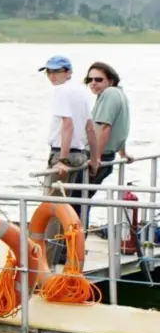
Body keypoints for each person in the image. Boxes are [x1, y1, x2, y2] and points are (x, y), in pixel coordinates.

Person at [81, 61, 132, 231]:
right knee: (83, 199)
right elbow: (120, 126)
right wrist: (123, 153)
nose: (93, 83)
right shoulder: (119, 94)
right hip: (106, 155)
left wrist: (95, 159)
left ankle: (72, 244)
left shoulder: (109, 94)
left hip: (97, 156)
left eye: (98, 79)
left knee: (77, 201)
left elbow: (105, 127)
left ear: (111, 80)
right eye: (90, 80)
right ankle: (75, 242)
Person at [41, 55, 93, 205]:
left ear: (69, 72)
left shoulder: (61, 91)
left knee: (52, 206)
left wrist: (62, 160)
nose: (52, 76)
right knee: (66, 203)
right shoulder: (82, 91)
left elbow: (68, 125)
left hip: (62, 153)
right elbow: (90, 127)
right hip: (79, 155)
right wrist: (95, 159)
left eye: (56, 71)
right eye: (49, 72)